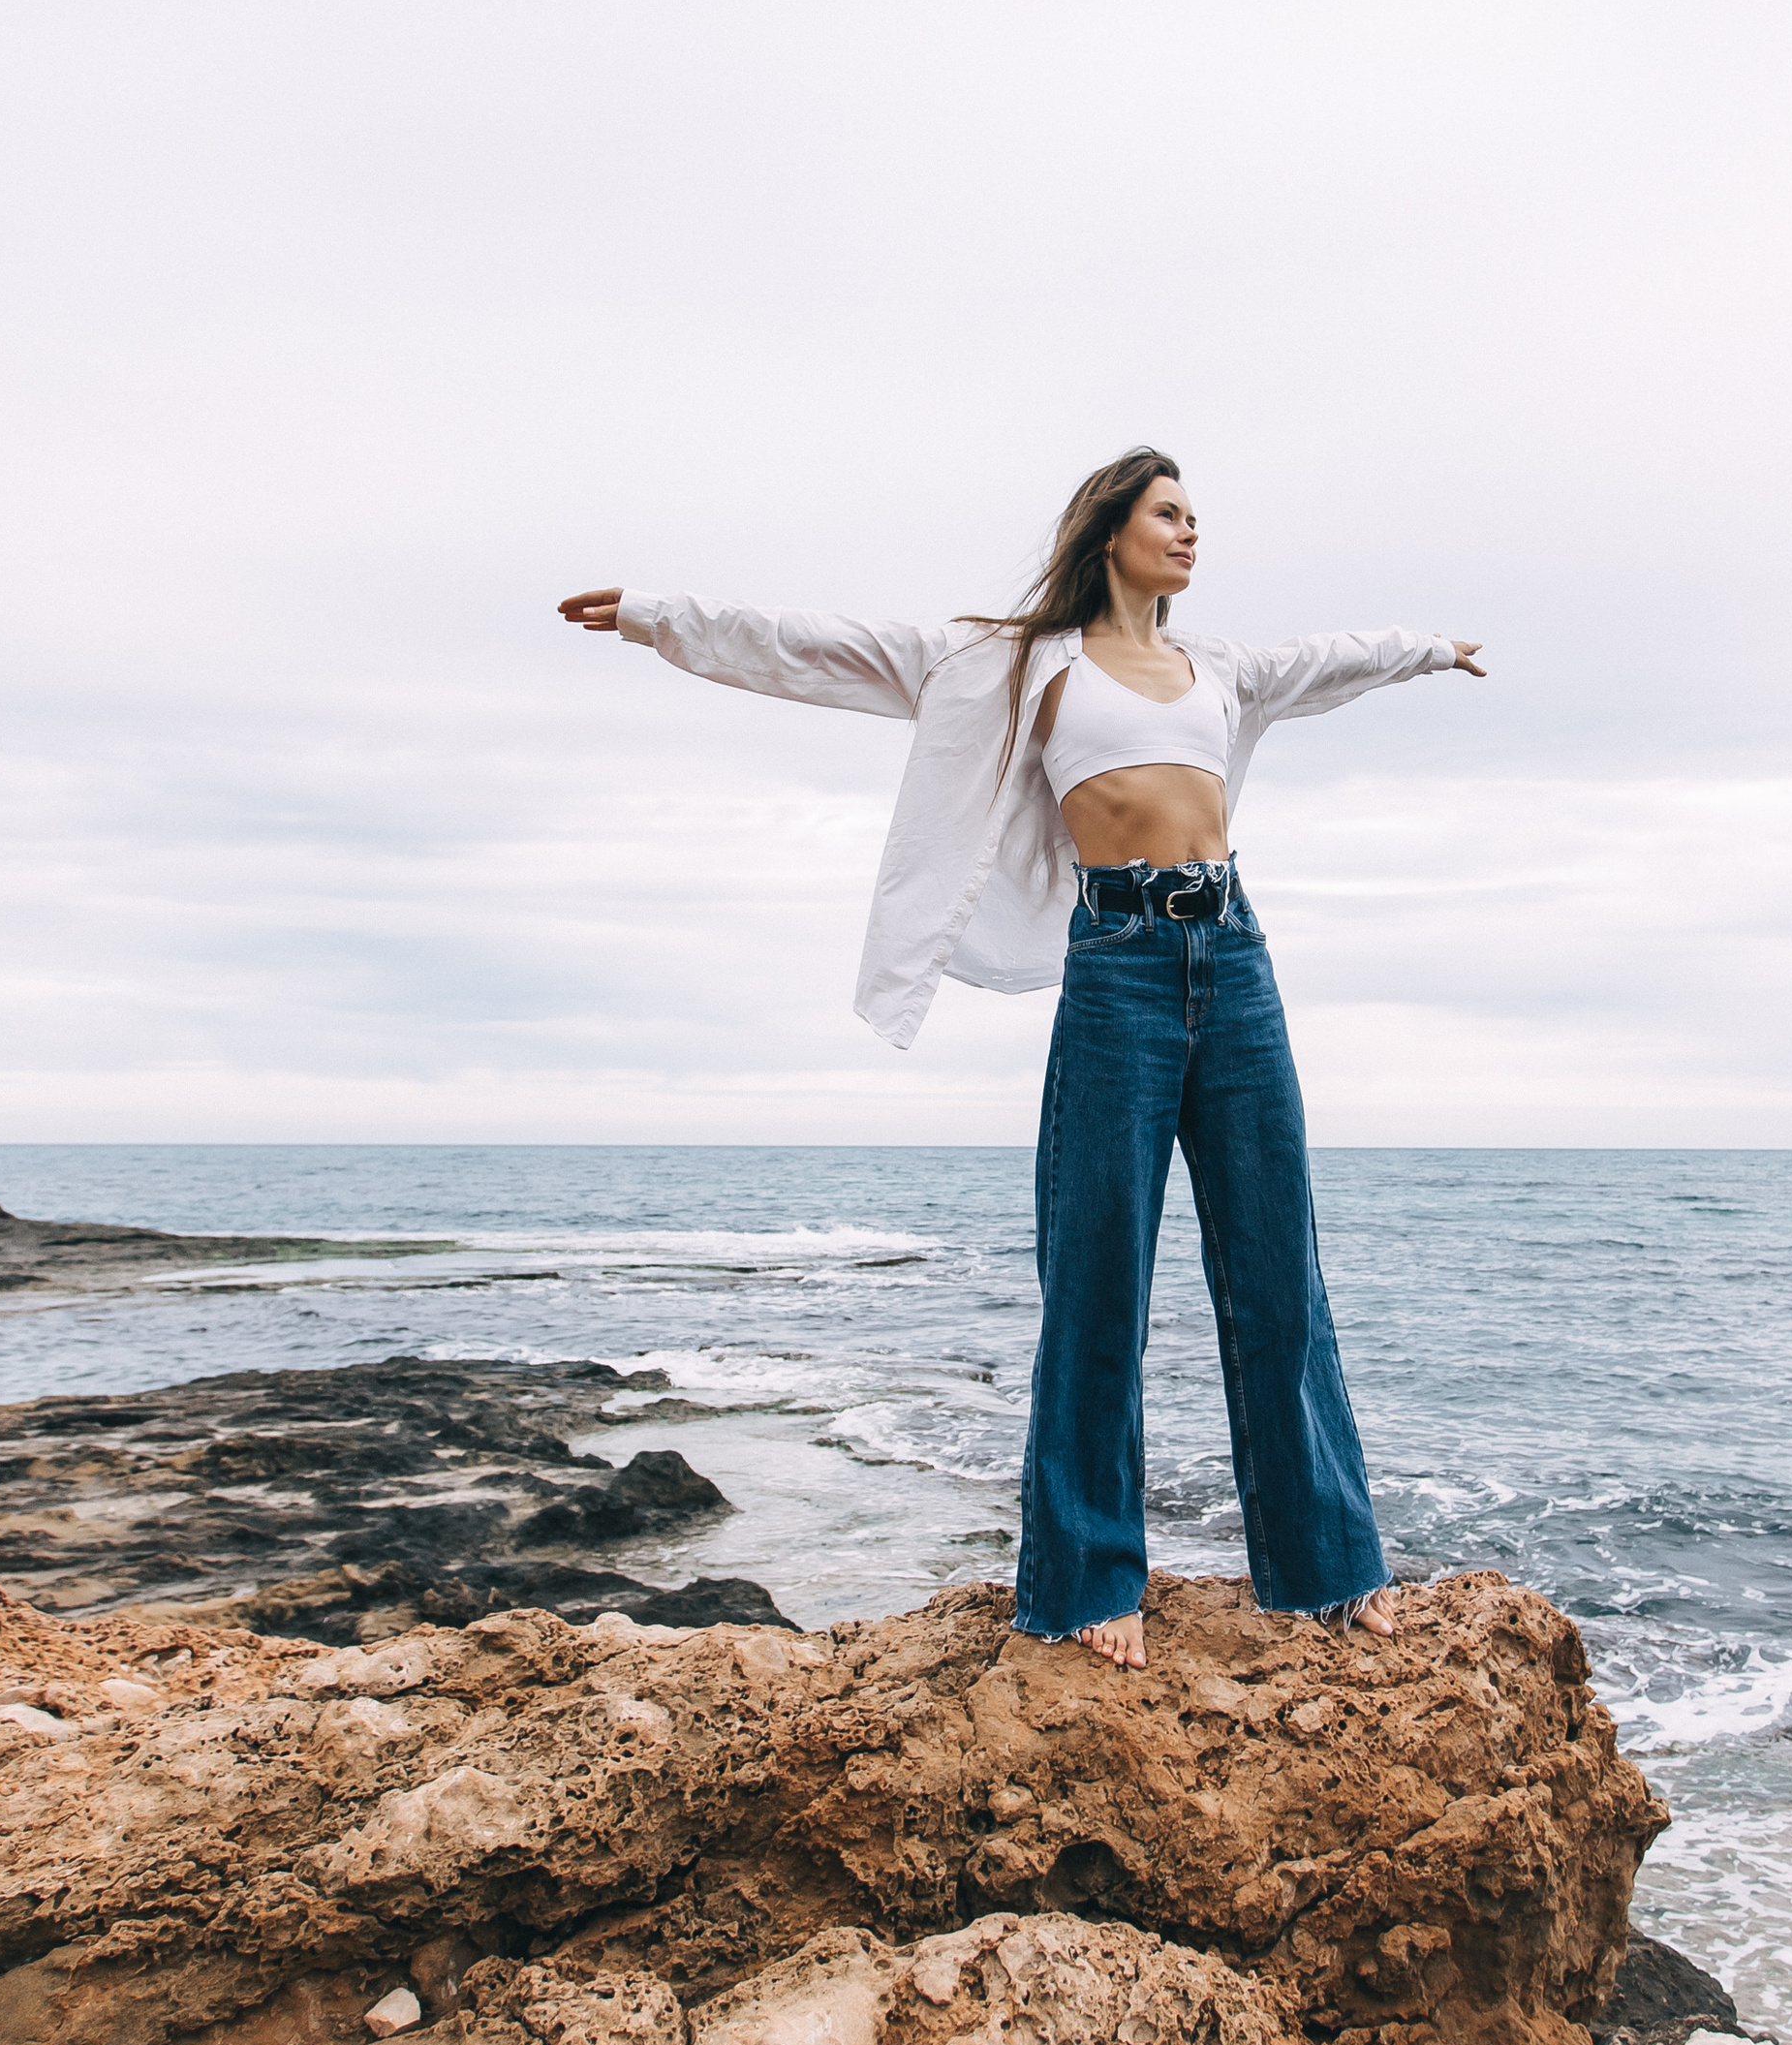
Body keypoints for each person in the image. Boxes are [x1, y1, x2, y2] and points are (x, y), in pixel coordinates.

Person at [560, 445, 1483, 1670]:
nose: (1192, 532)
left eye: (1199, 516)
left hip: (1236, 954)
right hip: (1118, 963)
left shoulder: (1223, 670)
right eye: (1170, 513)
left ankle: (1328, 1568)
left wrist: (1430, 646)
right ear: (1111, 529)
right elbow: (828, 649)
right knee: (1096, 1272)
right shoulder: (1009, 659)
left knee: (1275, 1267)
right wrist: (664, 618)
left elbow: (1334, 661)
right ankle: (1088, 1581)